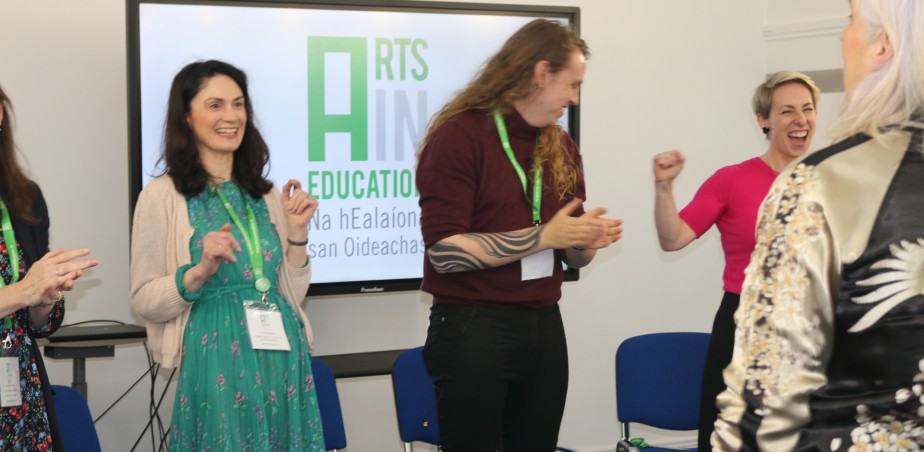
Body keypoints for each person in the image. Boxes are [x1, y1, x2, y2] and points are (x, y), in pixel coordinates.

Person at [714, 0, 924, 449]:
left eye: (850, 19)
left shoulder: (820, 184)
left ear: (882, 44)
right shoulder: (739, 177)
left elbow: (767, 399)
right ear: (764, 121)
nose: (842, 35)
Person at [416, 19, 623, 452]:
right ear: (540, 72)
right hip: (473, 328)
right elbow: (444, 252)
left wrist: (583, 240)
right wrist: (543, 236)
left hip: (543, 325)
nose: (574, 98)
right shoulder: (459, 134)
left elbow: (570, 257)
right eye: (572, 84)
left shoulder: (561, 145)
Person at [129, 60, 324, 451]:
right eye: (215, 105)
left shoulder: (265, 193)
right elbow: (144, 301)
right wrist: (199, 271)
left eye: (238, 104)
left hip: (282, 354)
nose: (231, 116)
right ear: (186, 116)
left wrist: (297, 236)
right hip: (215, 355)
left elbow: (289, 292)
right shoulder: (161, 196)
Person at [652, 70, 820, 450]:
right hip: (744, 324)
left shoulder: (829, 180)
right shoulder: (733, 179)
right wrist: (664, 188)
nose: (801, 120)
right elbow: (673, 238)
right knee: (730, 438)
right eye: (787, 111)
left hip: (809, 328)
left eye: (807, 110)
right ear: (764, 120)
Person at [0, 84, 98, 450]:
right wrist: (22, 291)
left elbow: (39, 324)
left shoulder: (24, 198)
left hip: (21, 389)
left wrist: (43, 297)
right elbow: (18, 294)